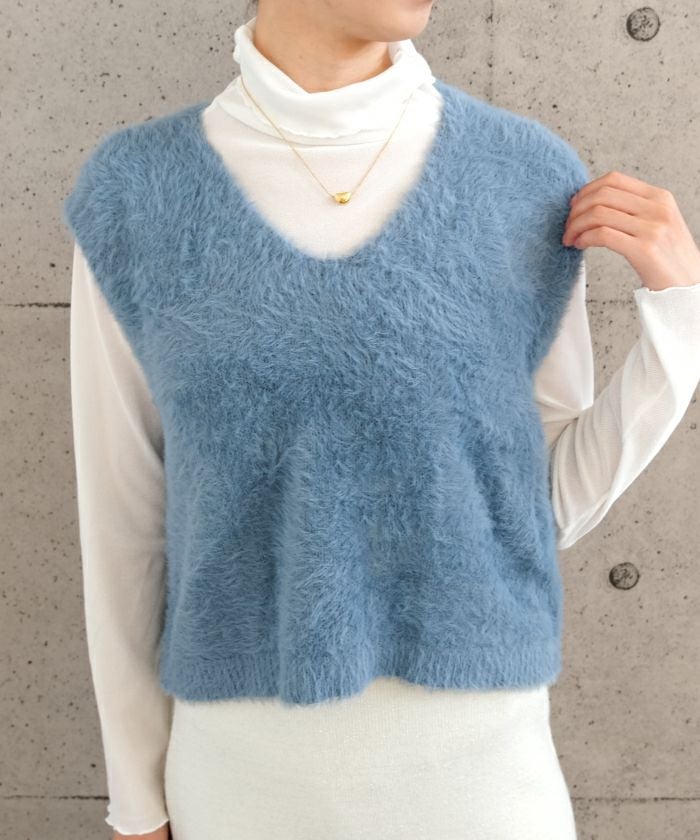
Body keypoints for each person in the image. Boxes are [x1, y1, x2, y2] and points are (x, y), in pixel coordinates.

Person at [64, 2, 700, 839]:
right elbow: (123, 527)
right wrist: (137, 801)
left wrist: (681, 321)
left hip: (480, 790)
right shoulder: (138, 193)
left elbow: (536, 508)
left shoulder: (523, 177)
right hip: (238, 788)